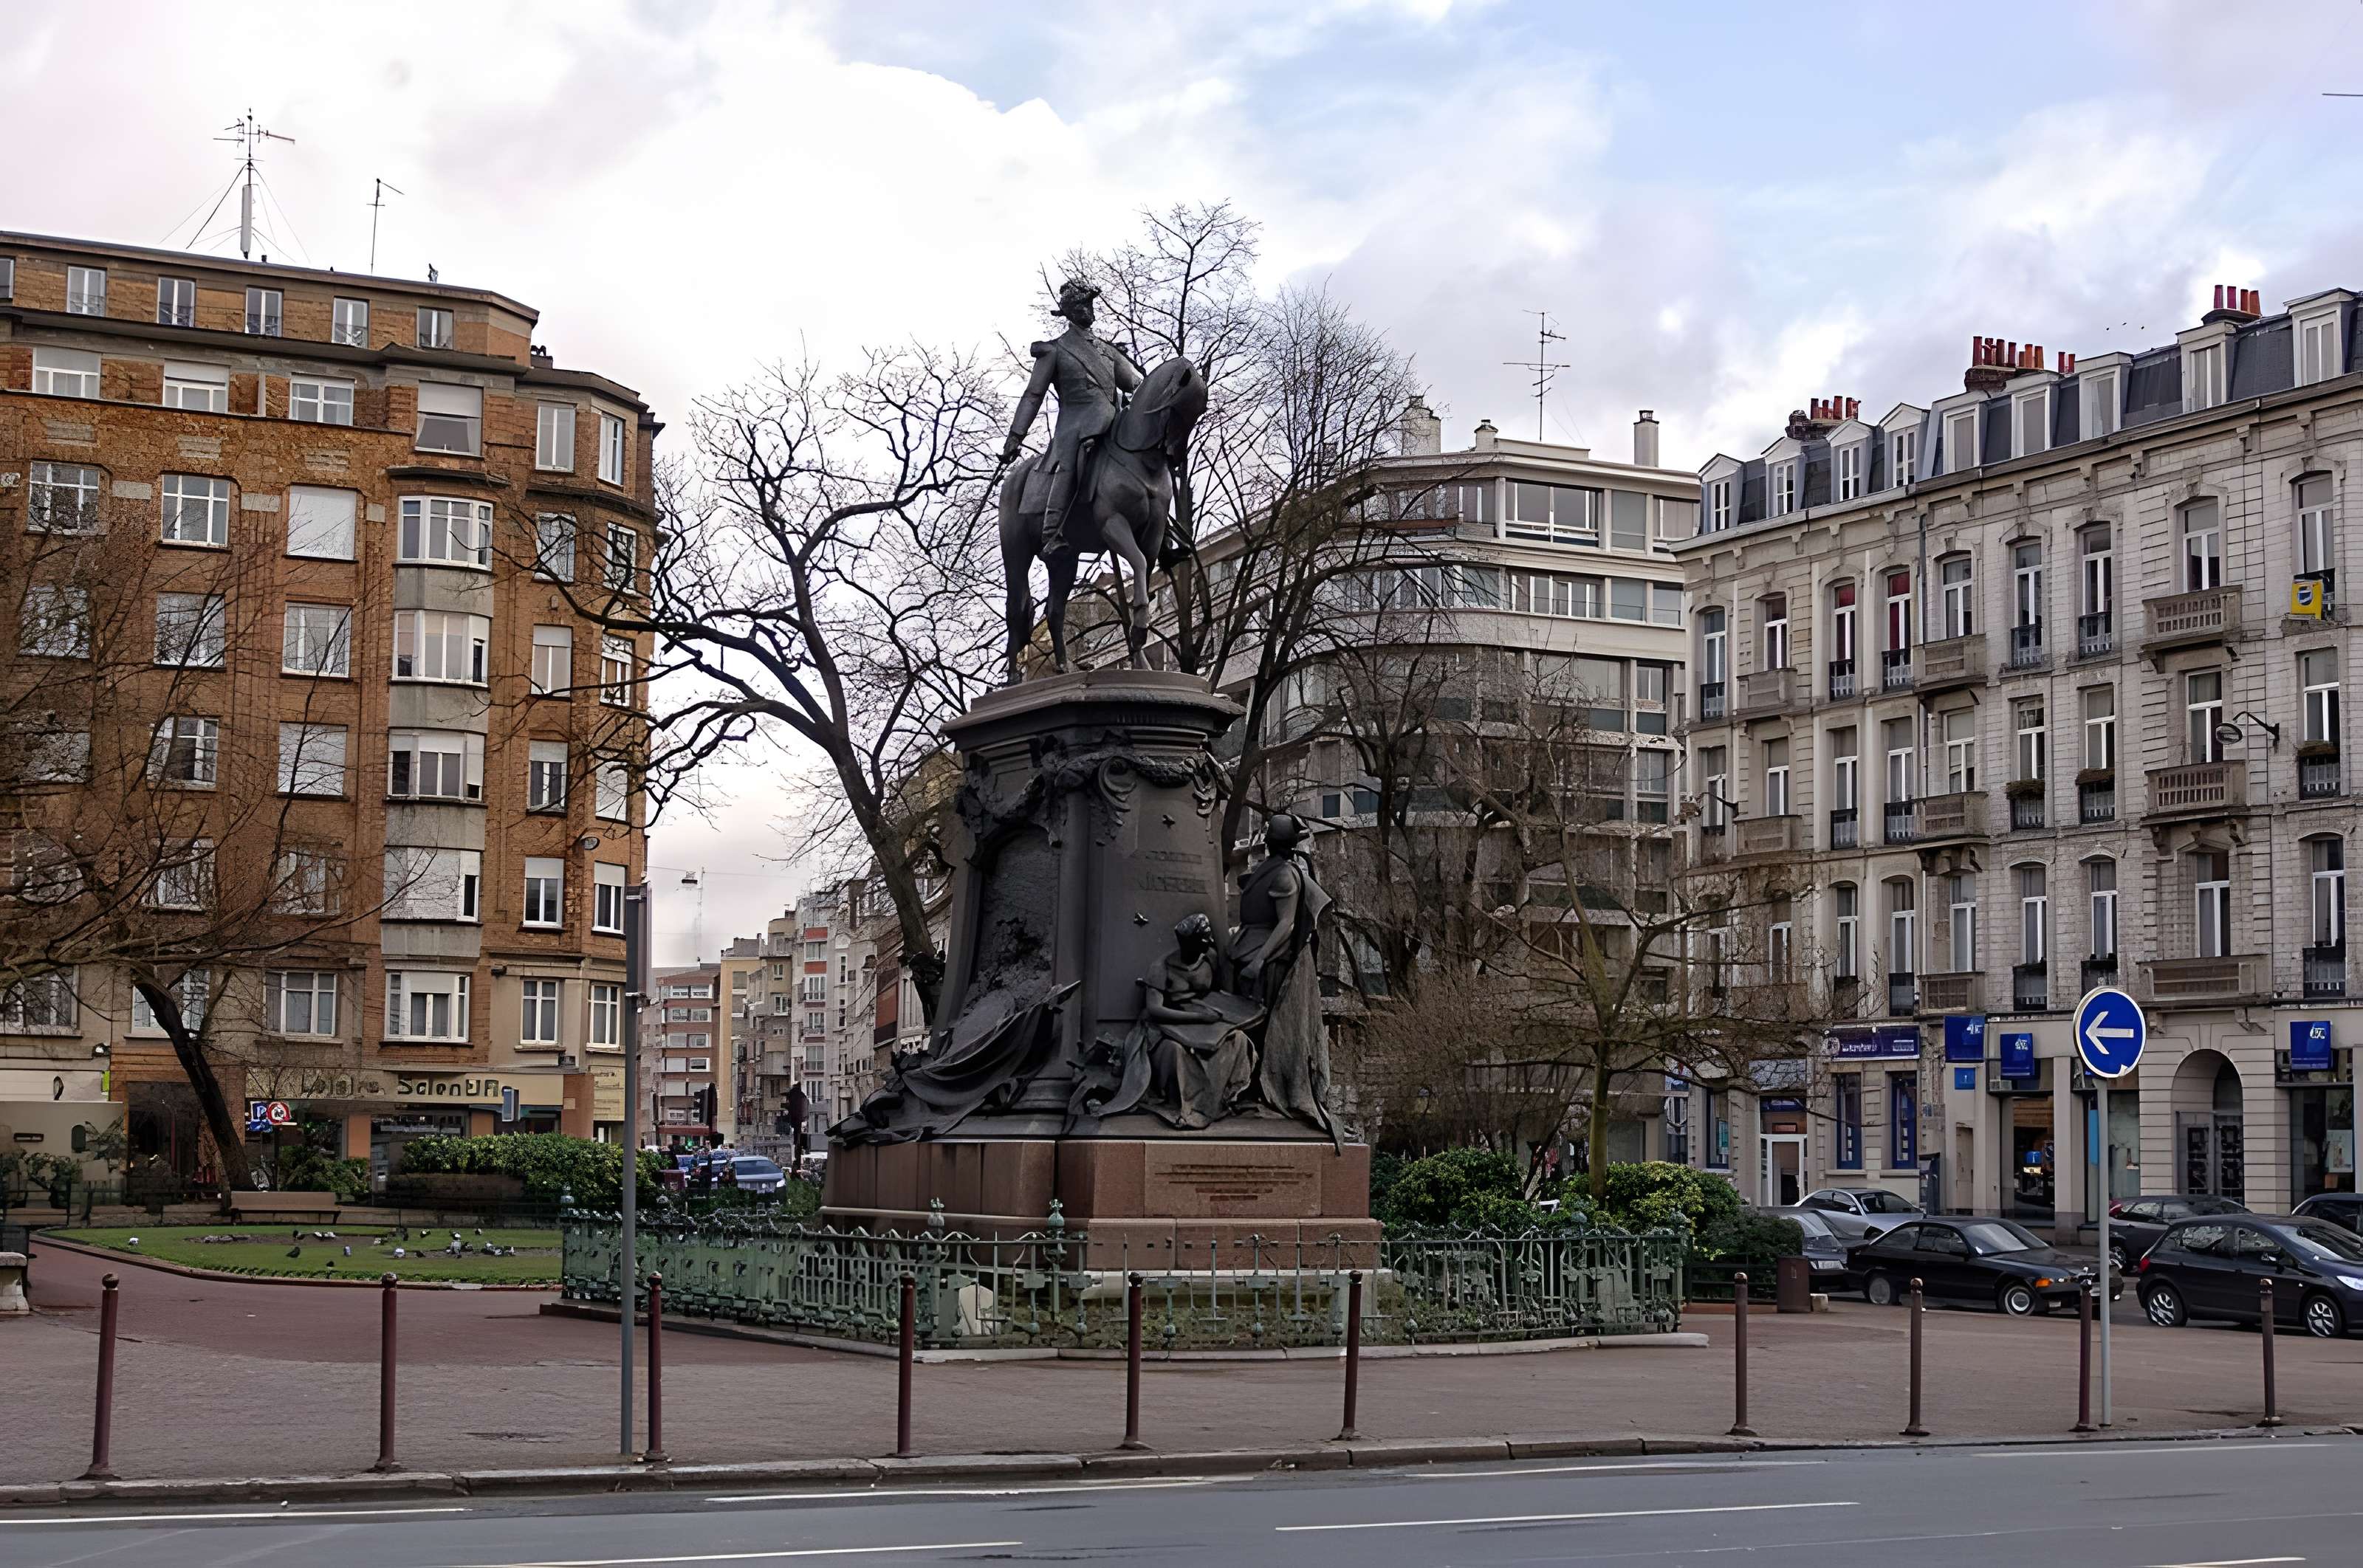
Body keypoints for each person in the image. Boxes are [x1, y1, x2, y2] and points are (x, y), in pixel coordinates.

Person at [1002, 278, 1144, 557]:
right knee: (1071, 461)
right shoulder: (1055, 350)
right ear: (1068, 310)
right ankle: (1051, 531)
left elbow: (1135, 384)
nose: (1088, 309)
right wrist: (1015, 436)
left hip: (1113, 424)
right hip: (1077, 425)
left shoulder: (1107, 350)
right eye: (1082, 304)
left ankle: (1163, 531)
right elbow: (1033, 395)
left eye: (1090, 303)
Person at [1229, 813, 1341, 1147]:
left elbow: (1287, 926)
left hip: (1270, 962)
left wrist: (1259, 960)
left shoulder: (1284, 875)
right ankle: (1249, 1087)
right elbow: (1280, 924)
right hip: (1256, 957)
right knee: (1253, 1026)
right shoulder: (1271, 872)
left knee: (1269, 1028)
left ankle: (1264, 1089)